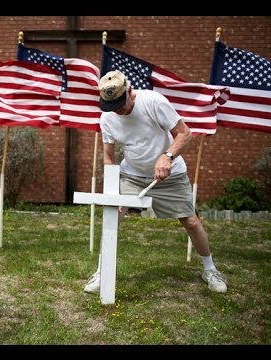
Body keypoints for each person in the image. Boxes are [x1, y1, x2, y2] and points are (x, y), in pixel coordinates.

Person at [84, 70, 228, 294]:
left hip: (171, 175)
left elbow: (184, 133)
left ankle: (210, 269)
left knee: (190, 221)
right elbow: (109, 157)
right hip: (131, 175)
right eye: (112, 107)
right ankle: (102, 272)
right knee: (112, 217)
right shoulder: (108, 118)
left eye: (121, 104)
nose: (118, 111)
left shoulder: (154, 102)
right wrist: (110, 187)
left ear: (130, 91)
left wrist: (167, 156)